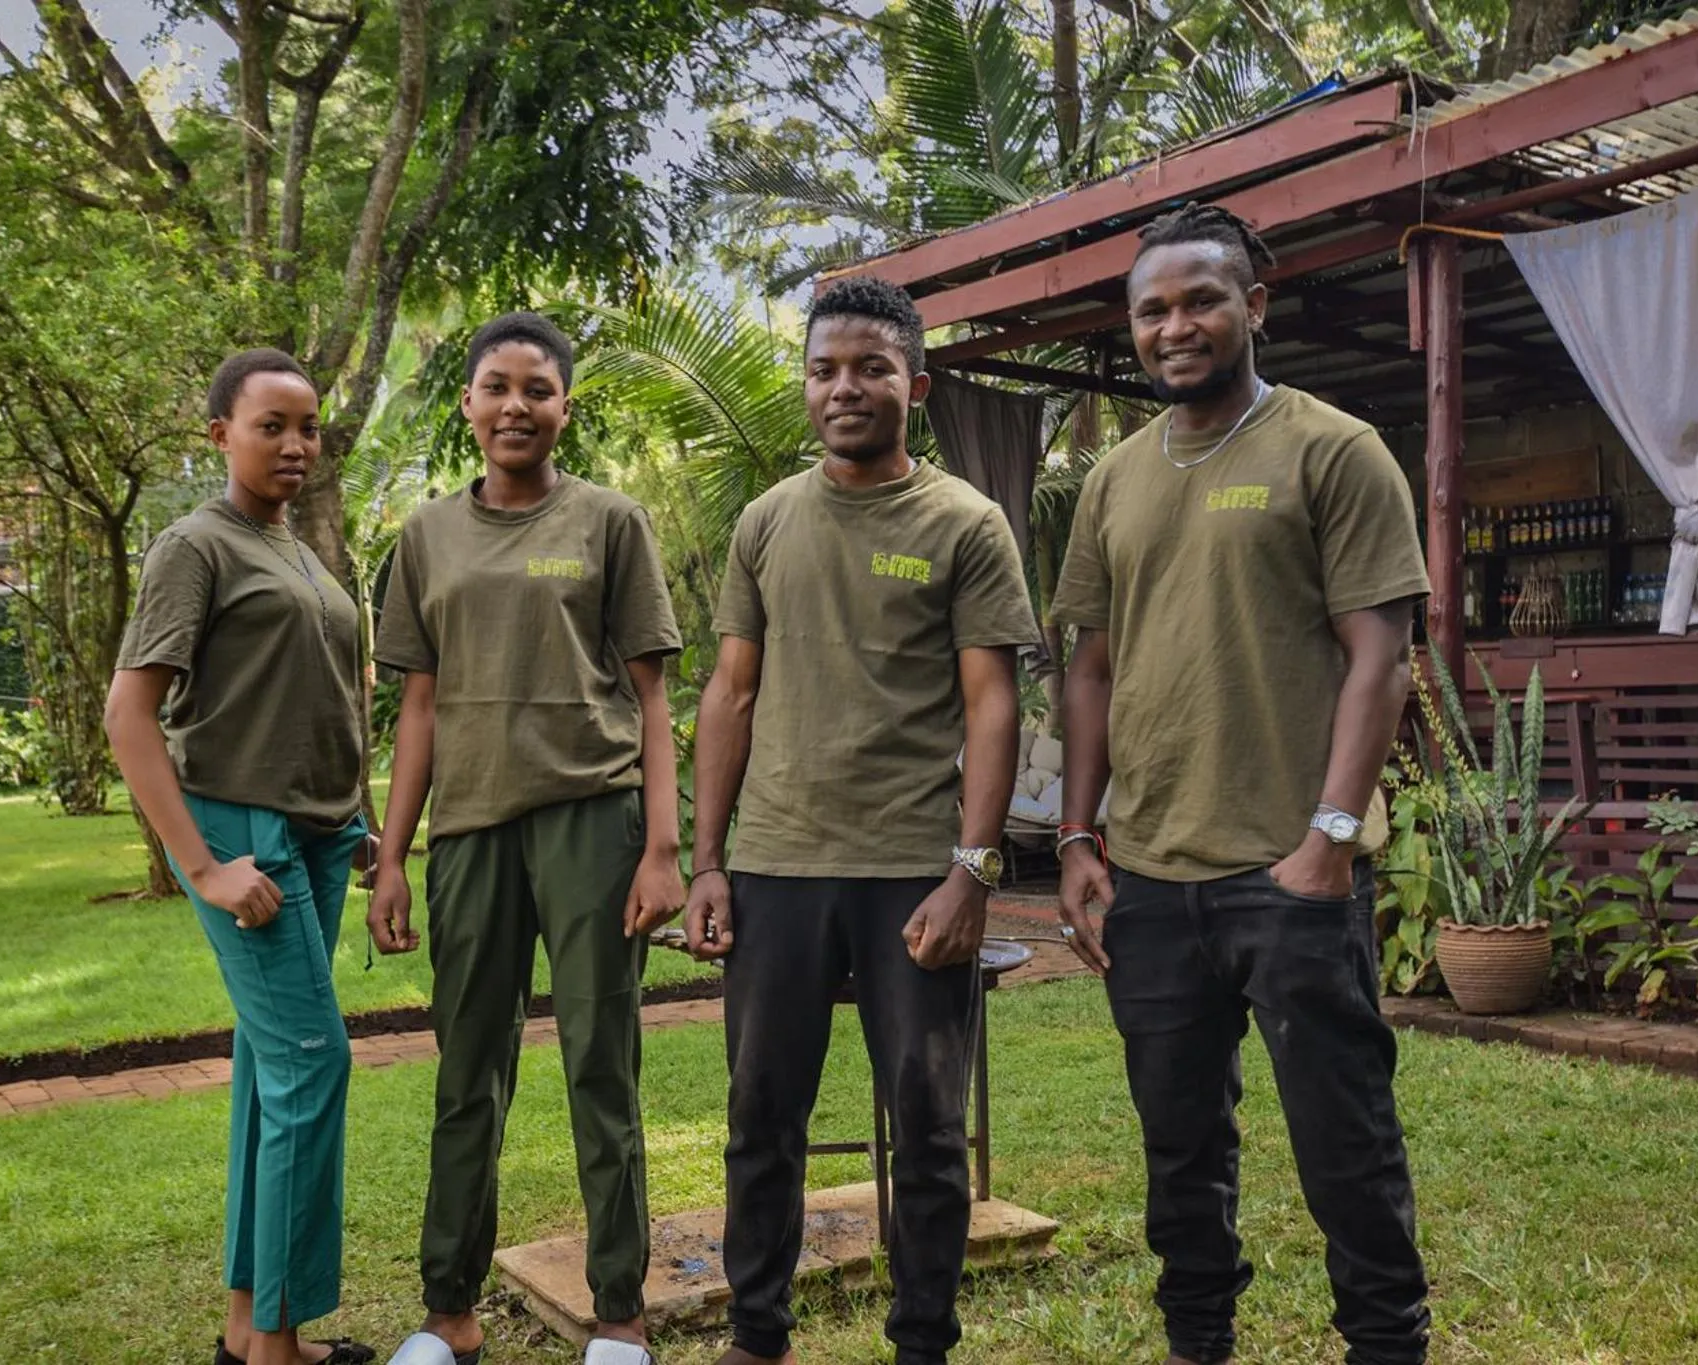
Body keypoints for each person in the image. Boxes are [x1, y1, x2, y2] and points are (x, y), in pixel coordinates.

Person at [1051, 203, 1432, 1365]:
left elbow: (1382, 655)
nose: (1176, 326)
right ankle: (1195, 1343)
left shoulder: (1332, 448)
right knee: (1178, 1147)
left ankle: (1385, 1344)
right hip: (1152, 878)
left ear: (1251, 306)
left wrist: (1325, 836)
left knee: (1342, 1138)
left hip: (1291, 870)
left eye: (1200, 299)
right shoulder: (1112, 480)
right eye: (1151, 310)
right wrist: (1075, 838)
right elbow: (1091, 670)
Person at [682, 276, 1038, 1365]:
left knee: (927, 1130)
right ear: (804, 386)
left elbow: (990, 705)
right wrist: (706, 862)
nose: (845, 388)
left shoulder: (964, 524)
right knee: (759, 1124)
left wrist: (971, 873)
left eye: (871, 368)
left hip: (910, 871)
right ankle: (758, 1333)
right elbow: (728, 694)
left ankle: (921, 1340)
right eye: (825, 369)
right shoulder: (764, 523)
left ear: (914, 387)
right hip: (777, 868)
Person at [367, 312, 684, 1365]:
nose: (515, 406)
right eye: (495, 387)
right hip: (468, 835)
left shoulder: (609, 521)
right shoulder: (423, 538)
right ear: (465, 404)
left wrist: (662, 848)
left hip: (593, 819)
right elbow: (417, 707)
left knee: (603, 1067)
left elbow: (651, 694)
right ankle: (447, 1314)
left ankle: (620, 1320)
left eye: (537, 389)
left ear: (563, 406)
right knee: (467, 1075)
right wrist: (393, 856)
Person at [105, 349, 375, 1365]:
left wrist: (360, 818)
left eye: (307, 426)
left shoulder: (300, 549)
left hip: (312, 833)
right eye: (271, 426)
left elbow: (317, 701)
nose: (295, 444)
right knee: (314, 1061)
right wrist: (206, 868)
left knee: (273, 1076)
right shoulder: (196, 544)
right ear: (219, 434)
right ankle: (275, 1348)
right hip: (239, 833)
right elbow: (128, 718)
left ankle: (247, 1331)